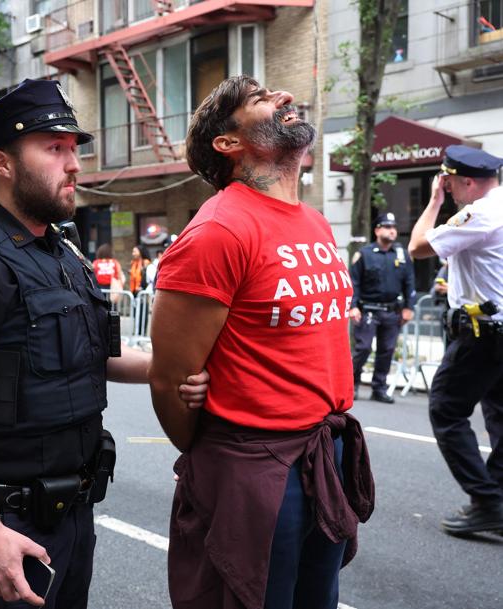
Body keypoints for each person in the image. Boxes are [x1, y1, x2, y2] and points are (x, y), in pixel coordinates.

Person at [0, 78, 208, 609]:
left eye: (74, 150)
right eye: (55, 149)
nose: (74, 165)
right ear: (3, 163)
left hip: (73, 509)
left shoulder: (64, 255)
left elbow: (100, 354)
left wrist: (183, 365)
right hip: (10, 519)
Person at [149, 76, 374, 609]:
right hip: (255, 467)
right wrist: (218, 460)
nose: (285, 98)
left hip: (325, 452)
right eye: (260, 100)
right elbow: (170, 378)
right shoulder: (218, 232)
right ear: (228, 143)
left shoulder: (315, 222)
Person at [408, 144, 503, 535]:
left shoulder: (480, 212)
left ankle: (487, 501)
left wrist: (433, 203)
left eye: (449, 184)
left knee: (447, 409)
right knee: (500, 416)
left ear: (466, 182)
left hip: (484, 335)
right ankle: (496, 496)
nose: (447, 190)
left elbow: (416, 248)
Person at [349, 212, 416, 403]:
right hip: (368, 310)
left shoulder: (402, 256)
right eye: (387, 227)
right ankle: (351, 385)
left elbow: (410, 283)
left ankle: (379, 388)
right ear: (377, 230)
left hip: (391, 311)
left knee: (387, 350)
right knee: (363, 348)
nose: (392, 231)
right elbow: (353, 283)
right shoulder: (364, 254)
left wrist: (409, 307)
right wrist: (353, 306)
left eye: (394, 227)